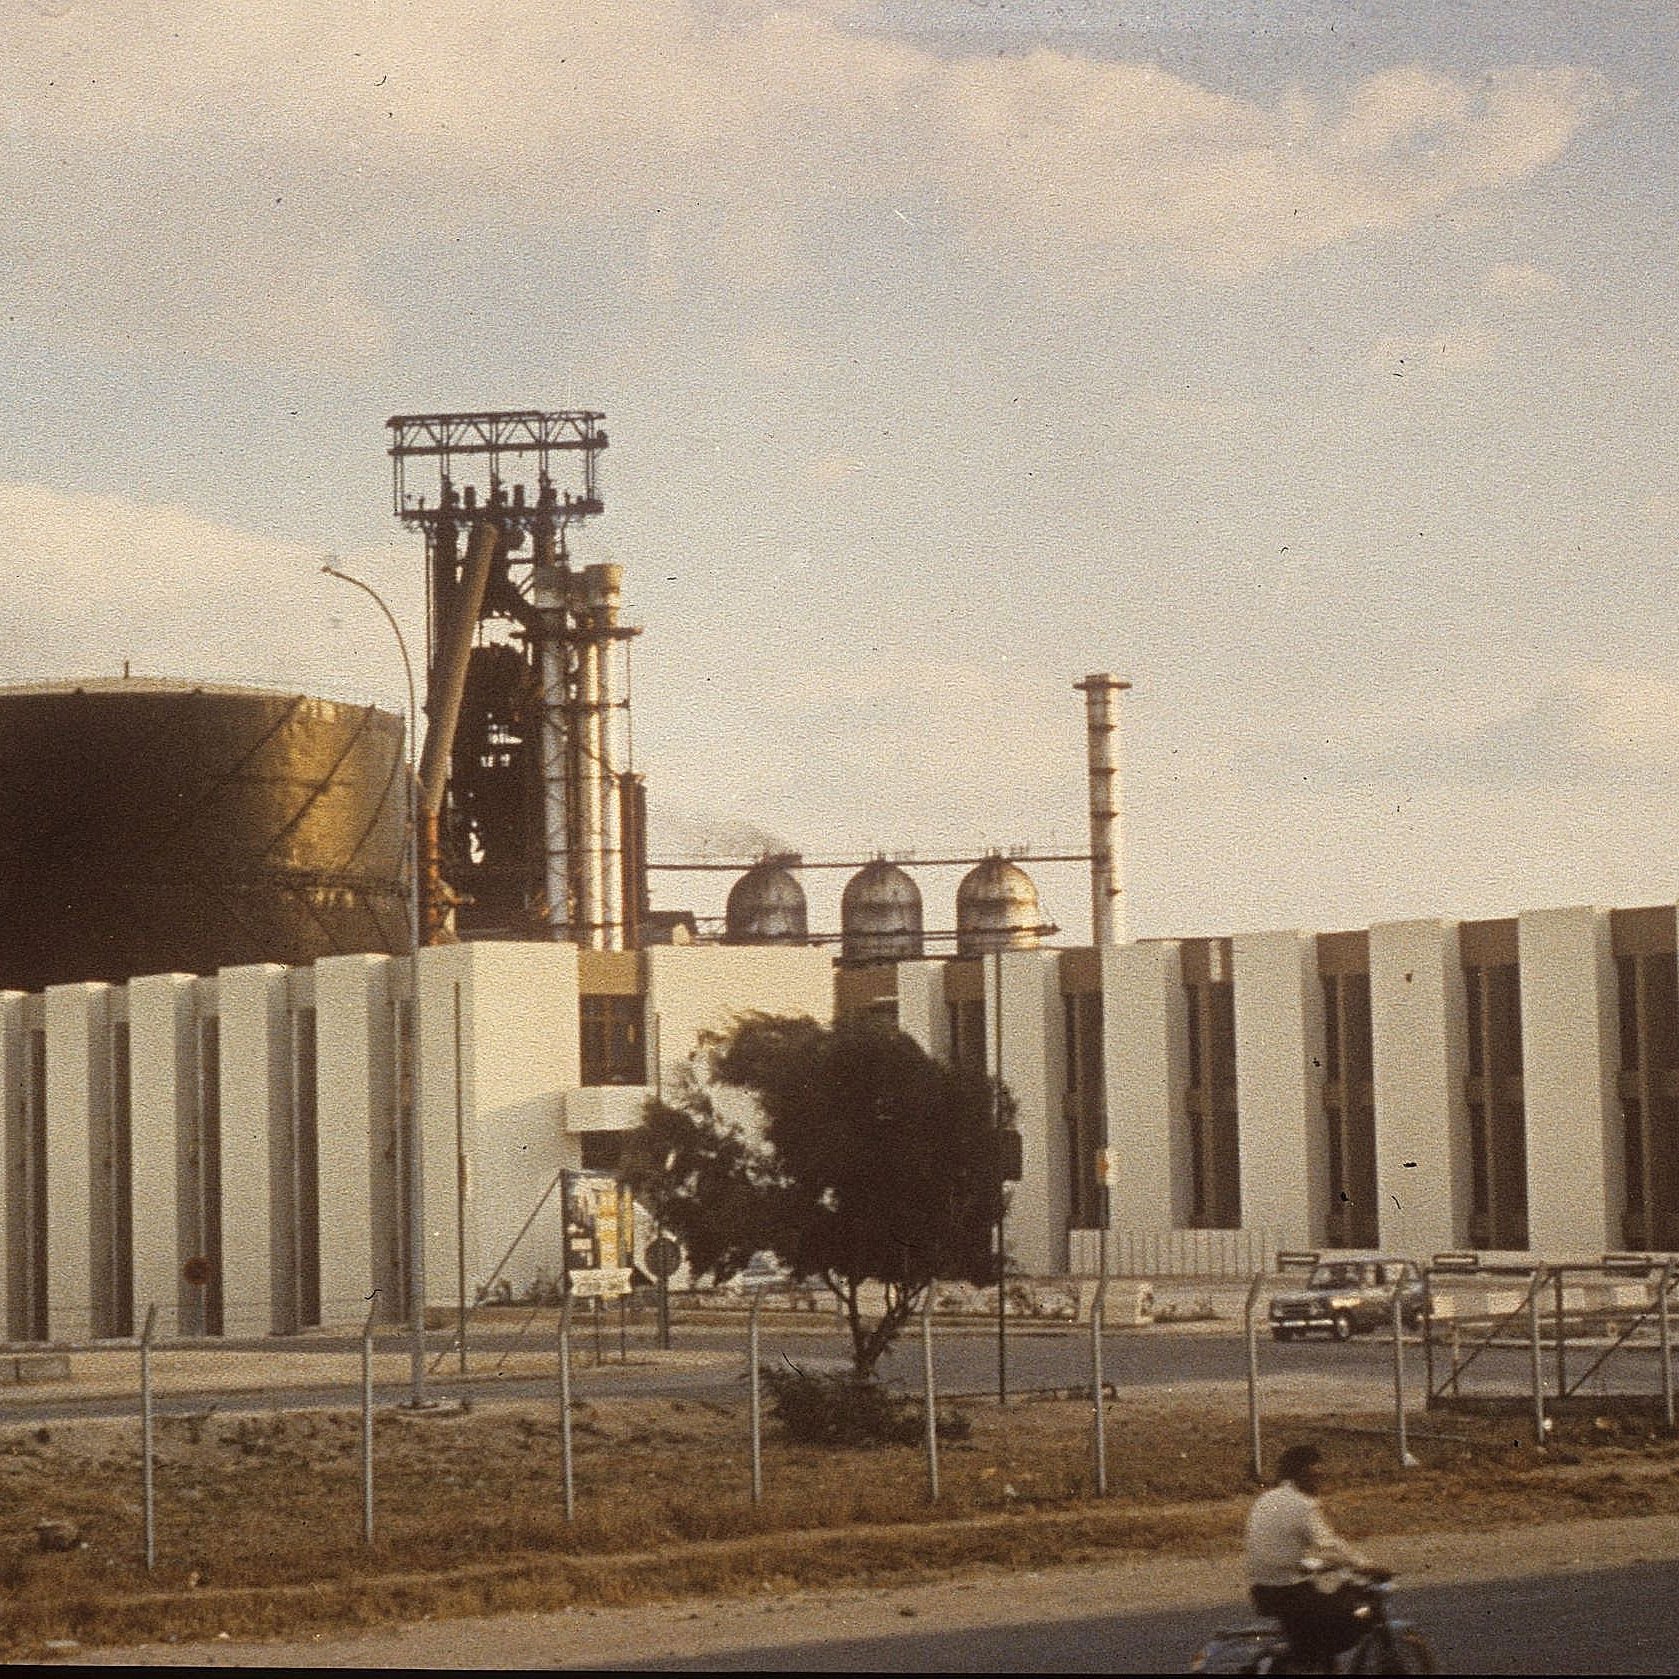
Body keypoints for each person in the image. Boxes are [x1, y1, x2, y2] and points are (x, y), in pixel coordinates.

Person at [1245, 1442, 1384, 1672]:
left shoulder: (1265, 1499)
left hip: (1263, 1589)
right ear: (1300, 1473)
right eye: (1315, 1473)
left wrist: (1316, 1565)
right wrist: (1366, 1566)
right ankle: (1308, 1661)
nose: (1320, 1479)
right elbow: (1329, 1546)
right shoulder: (1303, 1505)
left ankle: (1315, 1661)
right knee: (1357, 1613)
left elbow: (1282, 1547)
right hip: (1291, 1592)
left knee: (1319, 1629)